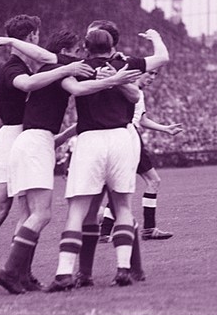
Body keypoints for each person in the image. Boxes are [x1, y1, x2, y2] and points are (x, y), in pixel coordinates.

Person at [0, 15, 93, 294]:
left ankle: (21, 274)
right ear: (33, 37)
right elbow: (27, 85)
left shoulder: (30, 64)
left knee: (26, 212)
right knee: (3, 210)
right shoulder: (13, 68)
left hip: (24, 137)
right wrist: (65, 69)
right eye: (37, 34)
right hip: (12, 137)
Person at [45, 26, 169, 292]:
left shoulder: (80, 66)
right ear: (113, 46)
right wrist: (155, 38)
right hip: (122, 139)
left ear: (87, 48)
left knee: (78, 210)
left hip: (91, 139)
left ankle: (64, 272)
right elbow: (161, 58)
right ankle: (123, 269)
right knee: (123, 207)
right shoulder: (125, 63)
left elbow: (52, 63)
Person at [99, 69, 183, 241]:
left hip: (127, 135)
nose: (152, 77)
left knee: (121, 186)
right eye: (150, 73)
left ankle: (105, 232)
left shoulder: (137, 93)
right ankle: (148, 229)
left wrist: (165, 129)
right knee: (152, 181)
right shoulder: (127, 90)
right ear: (137, 73)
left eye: (155, 75)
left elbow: (142, 119)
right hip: (129, 137)